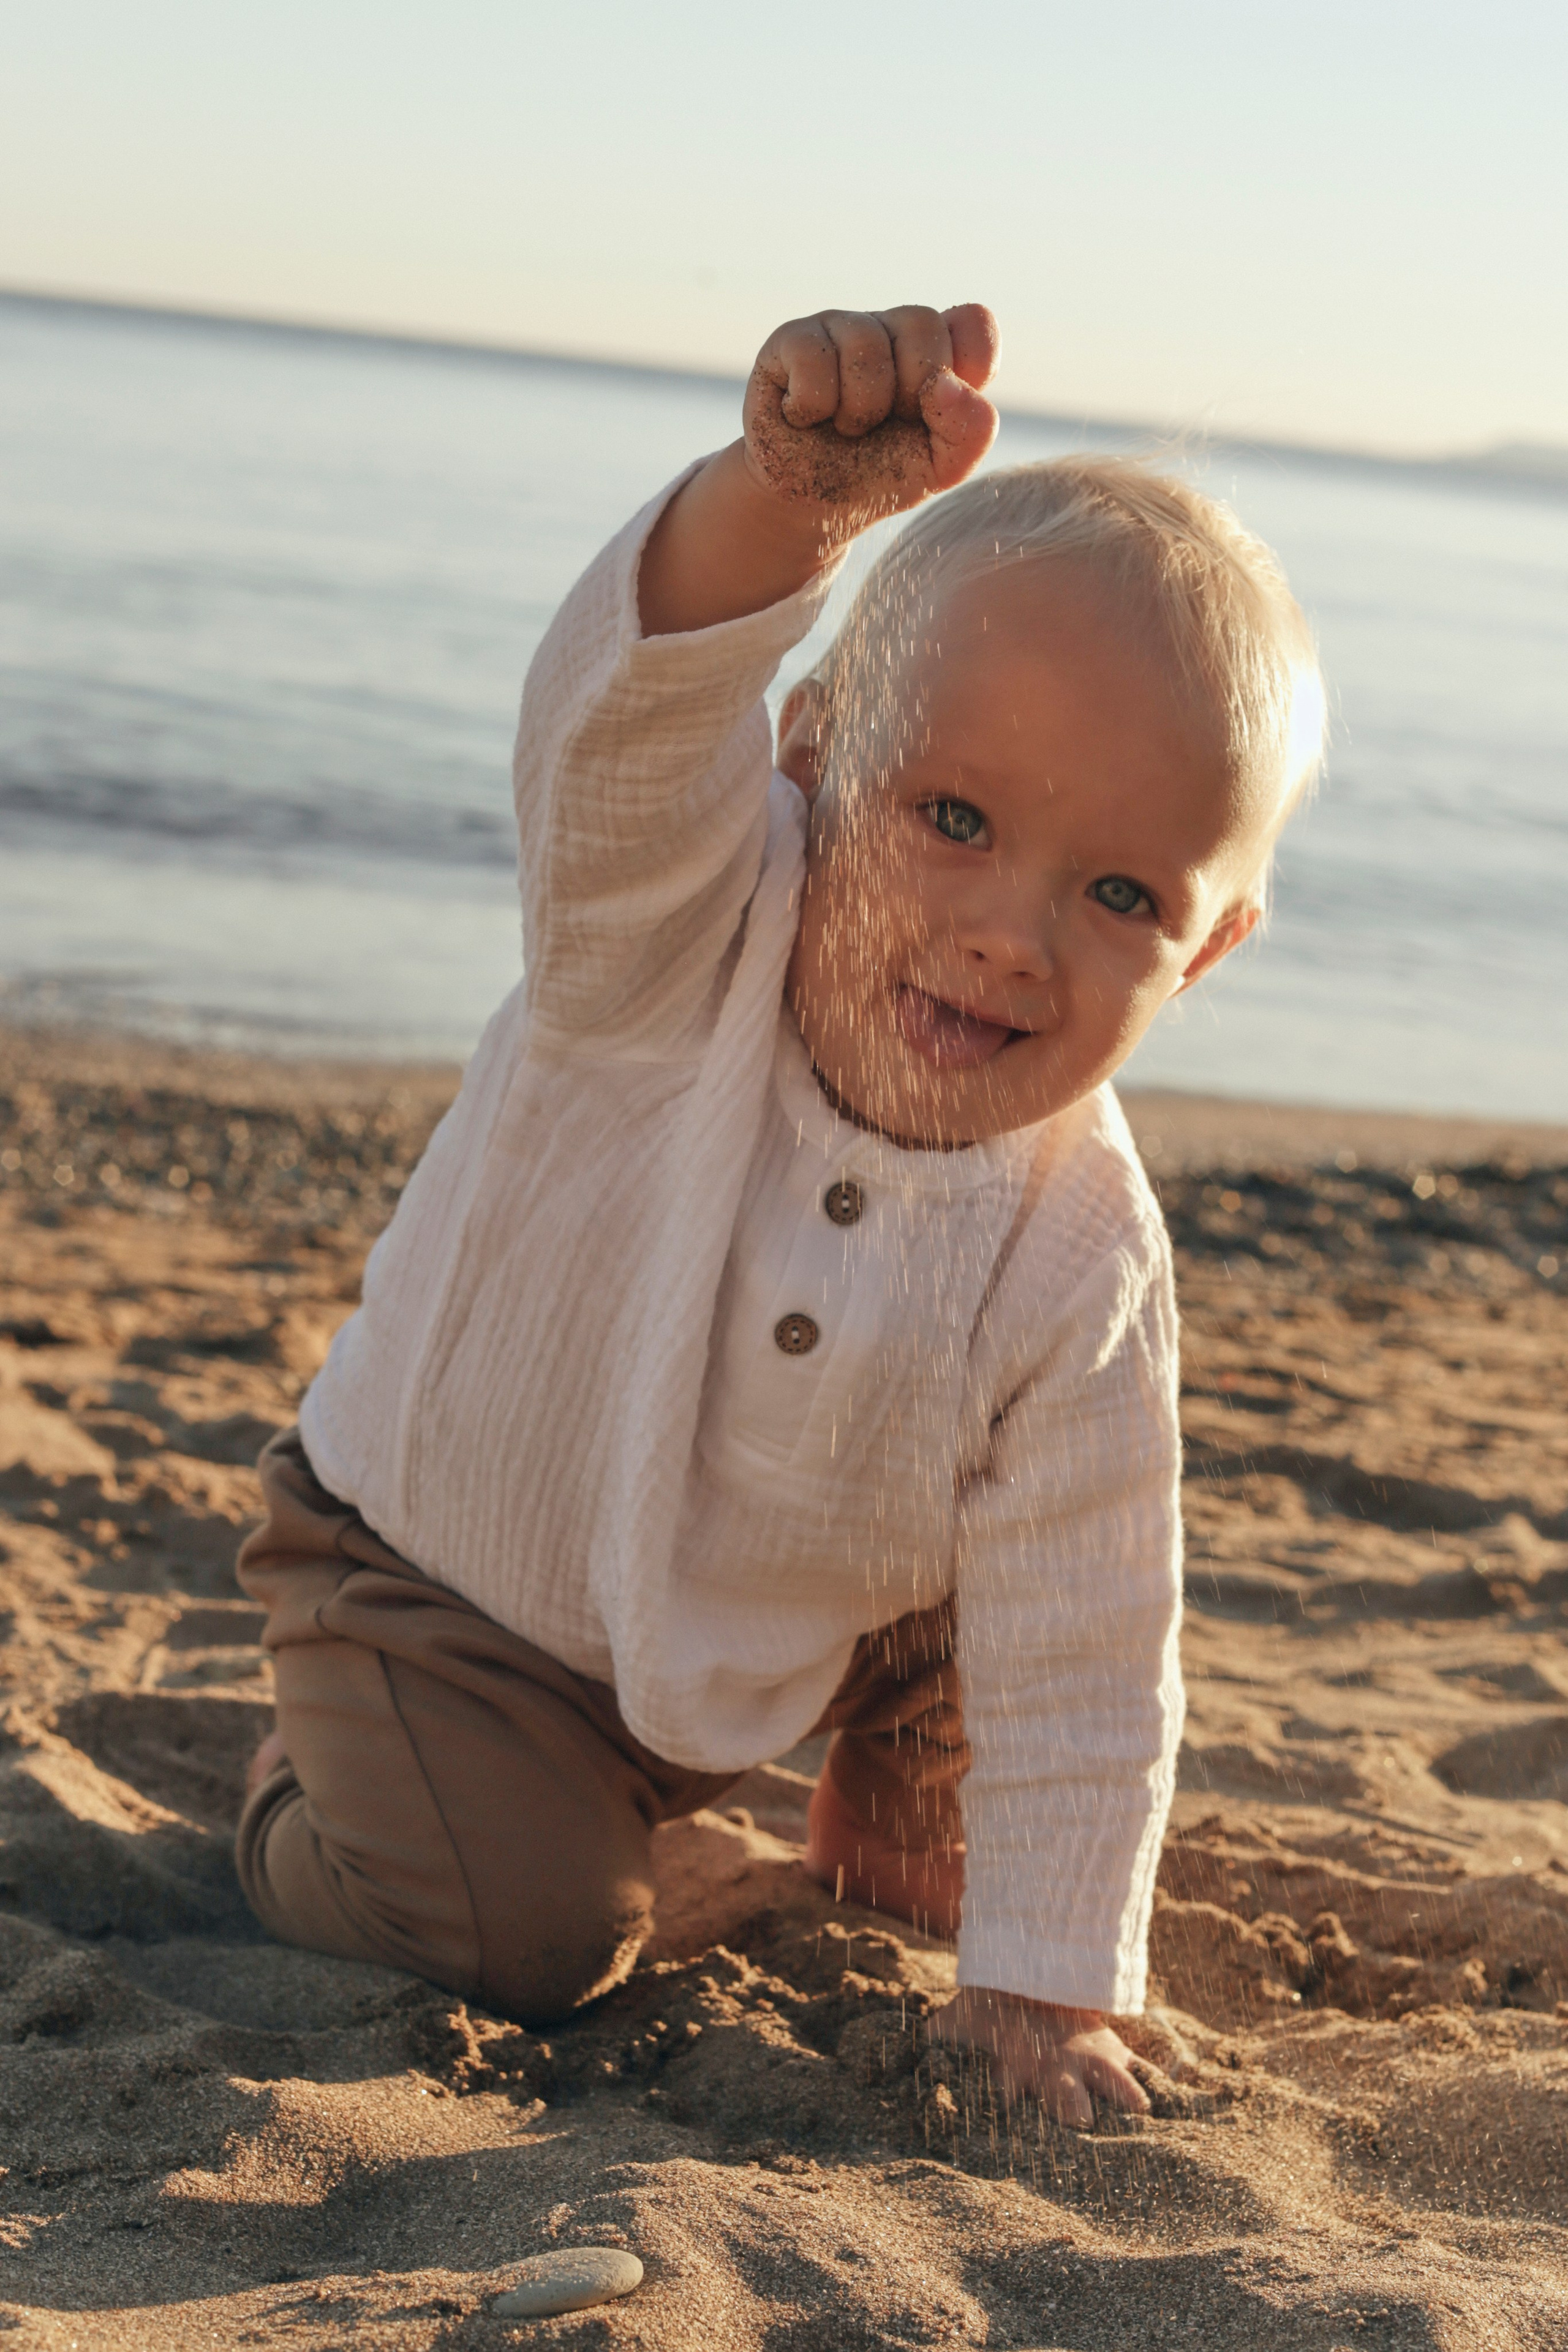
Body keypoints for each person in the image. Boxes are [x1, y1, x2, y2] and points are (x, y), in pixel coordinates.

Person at [236, 301, 1322, 2125]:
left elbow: (1092, 1628)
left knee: (1022, 1613)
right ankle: (299, 1782)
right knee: (522, 1940)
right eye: (954, 814)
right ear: (811, 750)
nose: (1009, 930)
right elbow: (618, 727)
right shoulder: (655, 948)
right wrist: (780, 512)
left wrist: (1046, 1990)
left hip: (803, 1600)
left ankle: (885, 1772)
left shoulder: (1083, 1243)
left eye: (1121, 890)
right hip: (455, 1593)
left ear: (1208, 950)